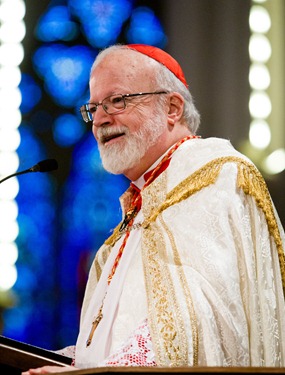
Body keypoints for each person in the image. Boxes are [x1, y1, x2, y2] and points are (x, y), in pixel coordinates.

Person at [22, 44, 285, 374]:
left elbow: (205, 323)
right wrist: (71, 362)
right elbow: (123, 336)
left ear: (172, 108)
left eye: (117, 101)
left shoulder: (216, 177)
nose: (100, 119)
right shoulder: (137, 212)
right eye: (93, 108)